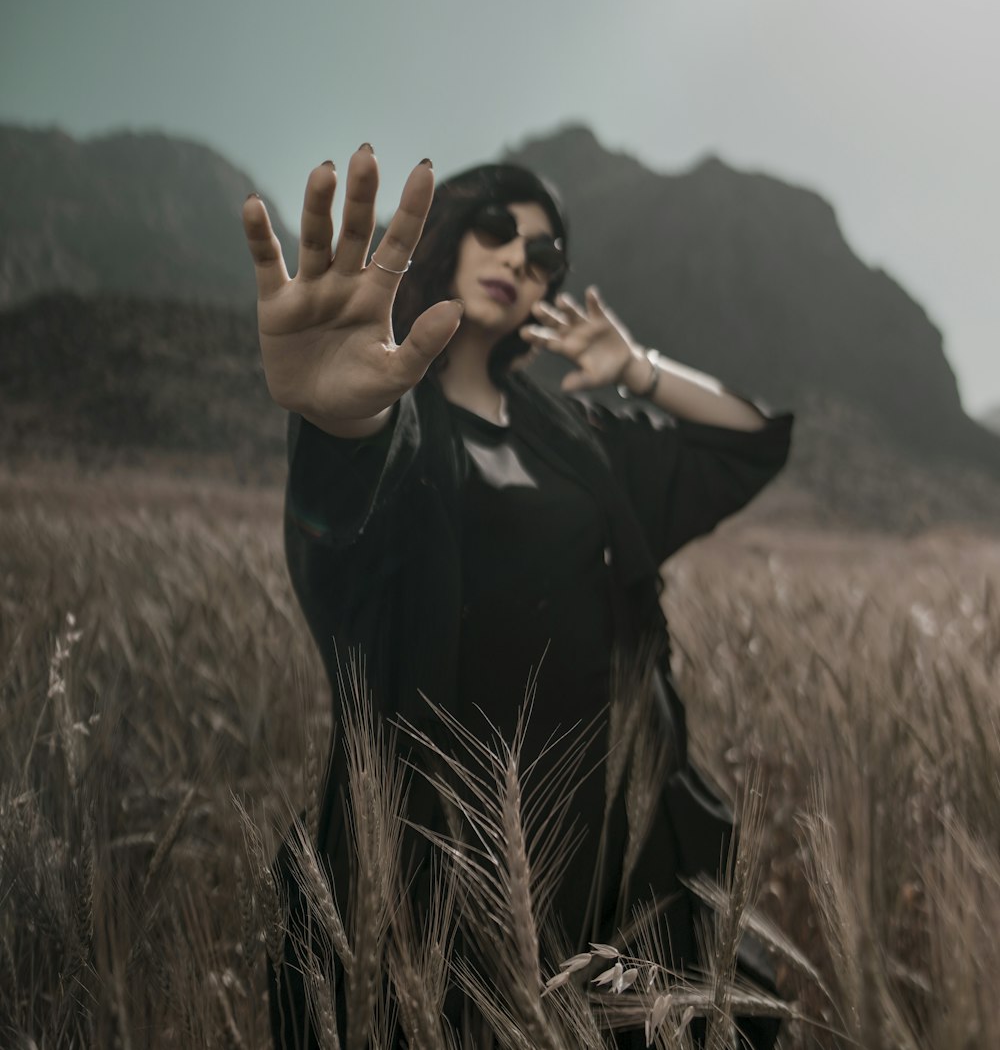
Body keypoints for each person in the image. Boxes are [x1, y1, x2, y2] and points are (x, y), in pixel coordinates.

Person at [241, 145, 795, 1049]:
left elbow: (749, 447)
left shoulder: (577, 438)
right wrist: (339, 420)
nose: (519, 260)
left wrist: (639, 371)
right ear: (453, 235)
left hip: (608, 842)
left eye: (545, 255)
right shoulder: (398, 422)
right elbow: (340, 522)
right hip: (443, 846)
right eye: (499, 230)